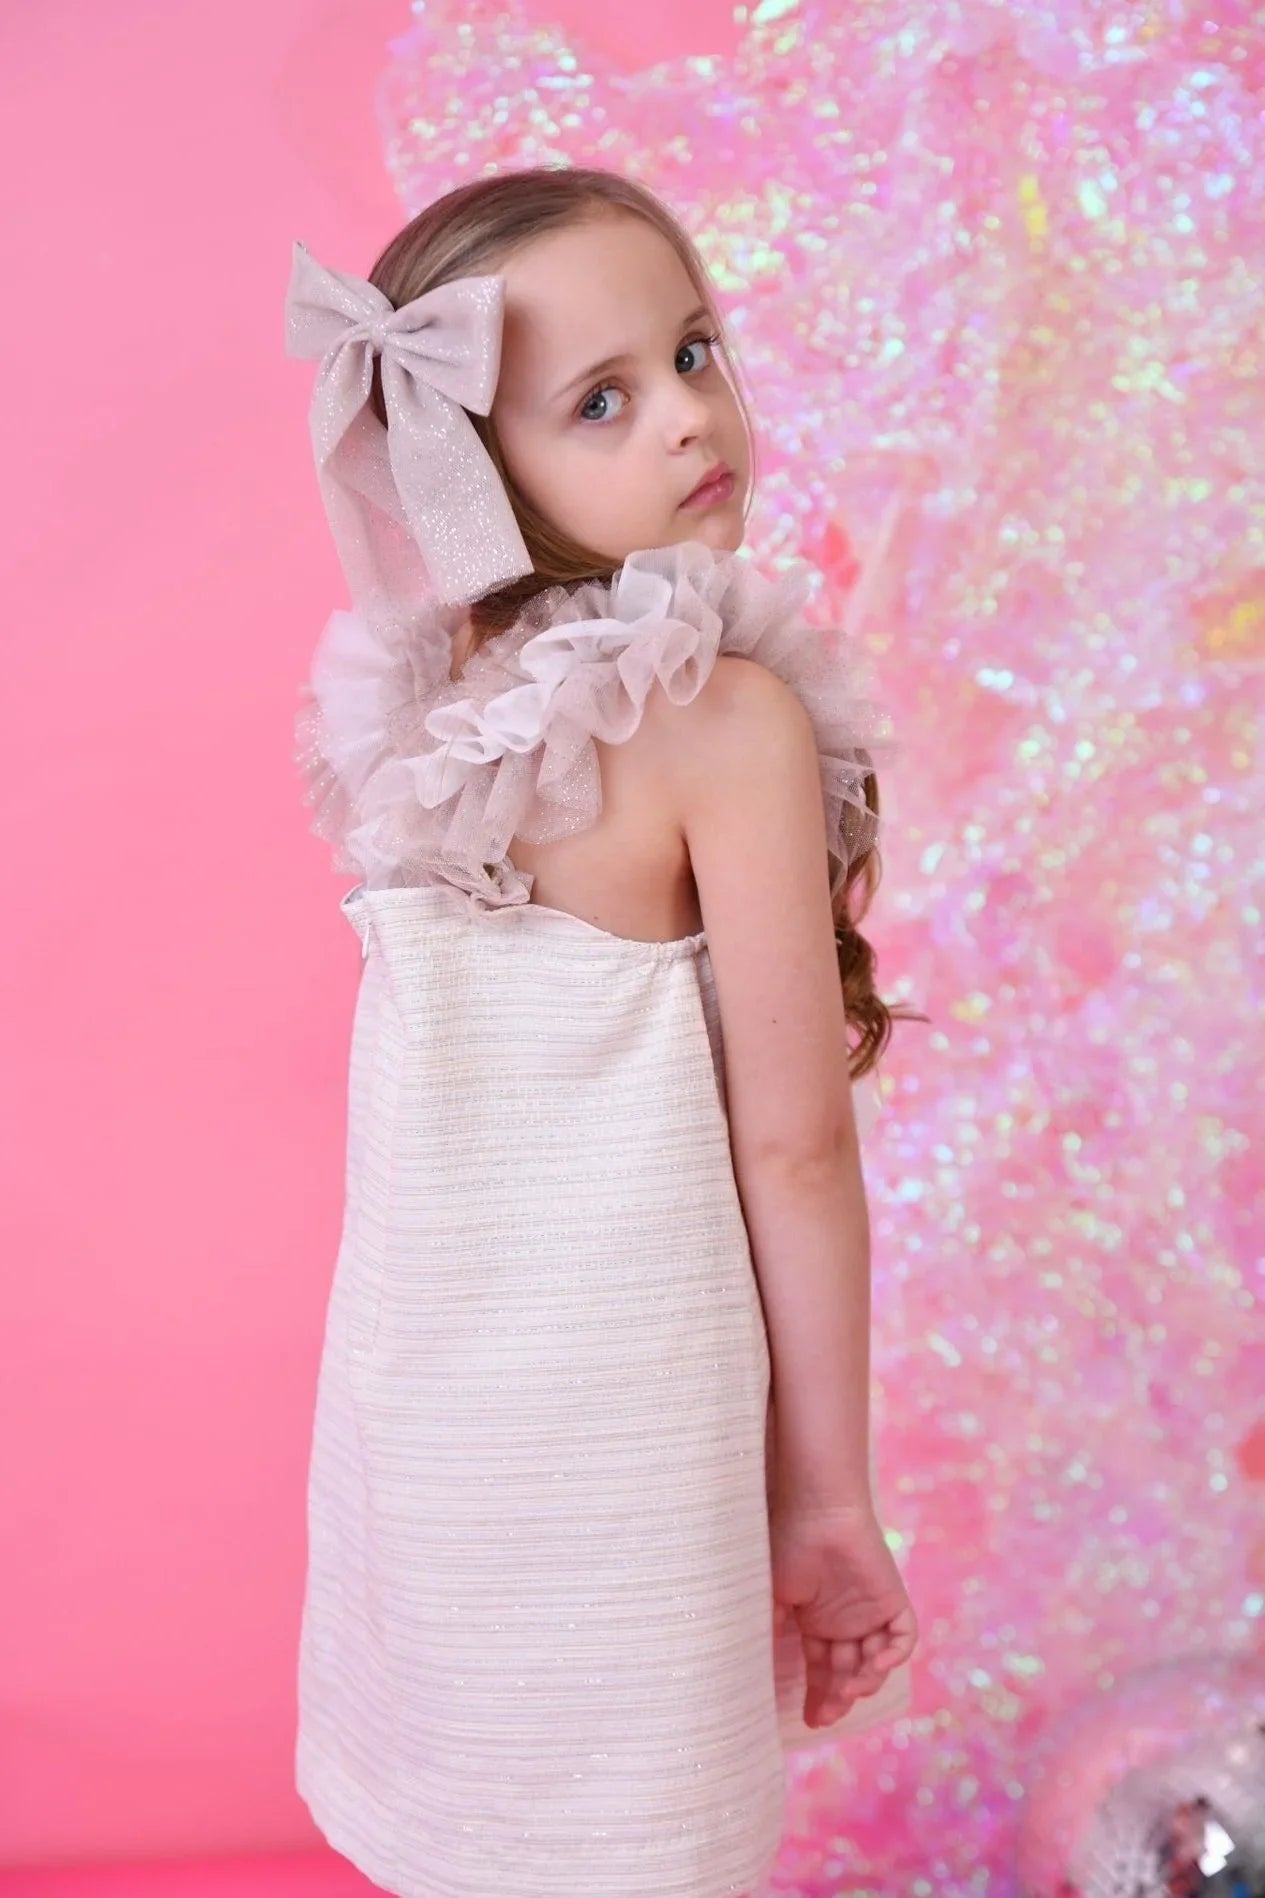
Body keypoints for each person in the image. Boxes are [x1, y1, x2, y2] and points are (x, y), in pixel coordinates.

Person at [286, 163, 923, 1898]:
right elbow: (790, 1143)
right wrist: (824, 1496)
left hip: (426, 1420)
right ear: (476, 469)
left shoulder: (416, 728)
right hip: (623, 1437)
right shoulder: (724, 722)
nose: (688, 420)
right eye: (600, 398)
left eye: (695, 349)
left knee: (476, 1831)